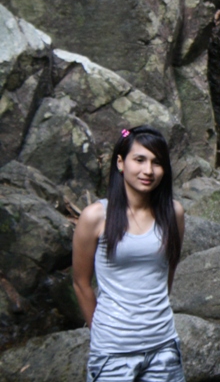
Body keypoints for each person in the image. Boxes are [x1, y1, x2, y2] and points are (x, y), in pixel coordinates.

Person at [72, 125, 186, 382]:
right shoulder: (96, 216)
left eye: (157, 162)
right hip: (113, 352)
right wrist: (101, 331)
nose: (148, 170)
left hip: (163, 346)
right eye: (140, 160)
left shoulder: (173, 213)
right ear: (121, 163)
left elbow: (168, 273)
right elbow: (81, 283)